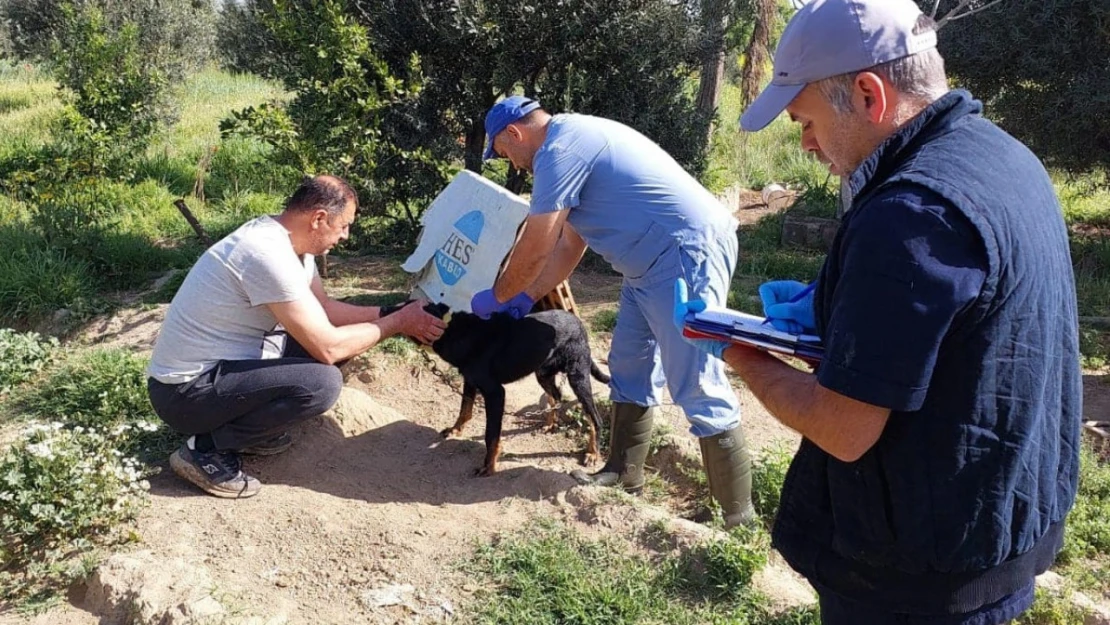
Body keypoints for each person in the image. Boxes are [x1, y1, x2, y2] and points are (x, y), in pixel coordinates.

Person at [676, 0, 1082, 622]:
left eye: (805, 121)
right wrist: (839, 309)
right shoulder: (1001, 155)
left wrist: (737, 349)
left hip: (918, 575)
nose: (807, 144)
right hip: (998, 526)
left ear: (869, 94)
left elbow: (842, 428)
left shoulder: (909, 216)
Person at [471, 95, 755, 527]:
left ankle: (735, 518)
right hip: (646, 265)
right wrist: (527, 298)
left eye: (505, 152)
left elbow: (536, 243)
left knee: (695, 378)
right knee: (629, 362)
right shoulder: (569, 145)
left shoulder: (560, 150)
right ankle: (623, 473)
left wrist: (500, 295)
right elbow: (568, 245)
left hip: (683, 253)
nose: (510, 163)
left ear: (514, 132)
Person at [147, 175, 446, 499]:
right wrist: (400, 322)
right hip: (185, 394)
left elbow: (325, 309)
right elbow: (328, 347)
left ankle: (249, 431)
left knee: (338, 346)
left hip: (222, 370)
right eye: (343, 225)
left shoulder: (292, 245)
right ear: (318, 218)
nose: (345, 235)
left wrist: (392, 311)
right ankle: (203, 450)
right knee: (322, 383)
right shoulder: (265, 254)